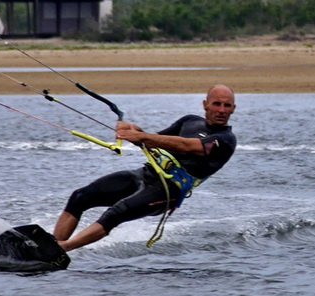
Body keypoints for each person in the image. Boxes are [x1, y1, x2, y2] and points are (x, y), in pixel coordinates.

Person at [53, 85, 237, 252]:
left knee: (117, 212)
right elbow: (154, 141)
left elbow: (187, 146)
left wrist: (141, 137)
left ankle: (63, 249)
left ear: (233, 109)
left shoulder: (226, 139)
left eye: (227, 106)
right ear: (205, 105)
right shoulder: (189, 121)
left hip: (168, 191)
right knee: (80, 196)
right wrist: (134, 130)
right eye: (217, 104)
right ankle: (52, 244)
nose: (221, 110)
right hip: (145, 175)